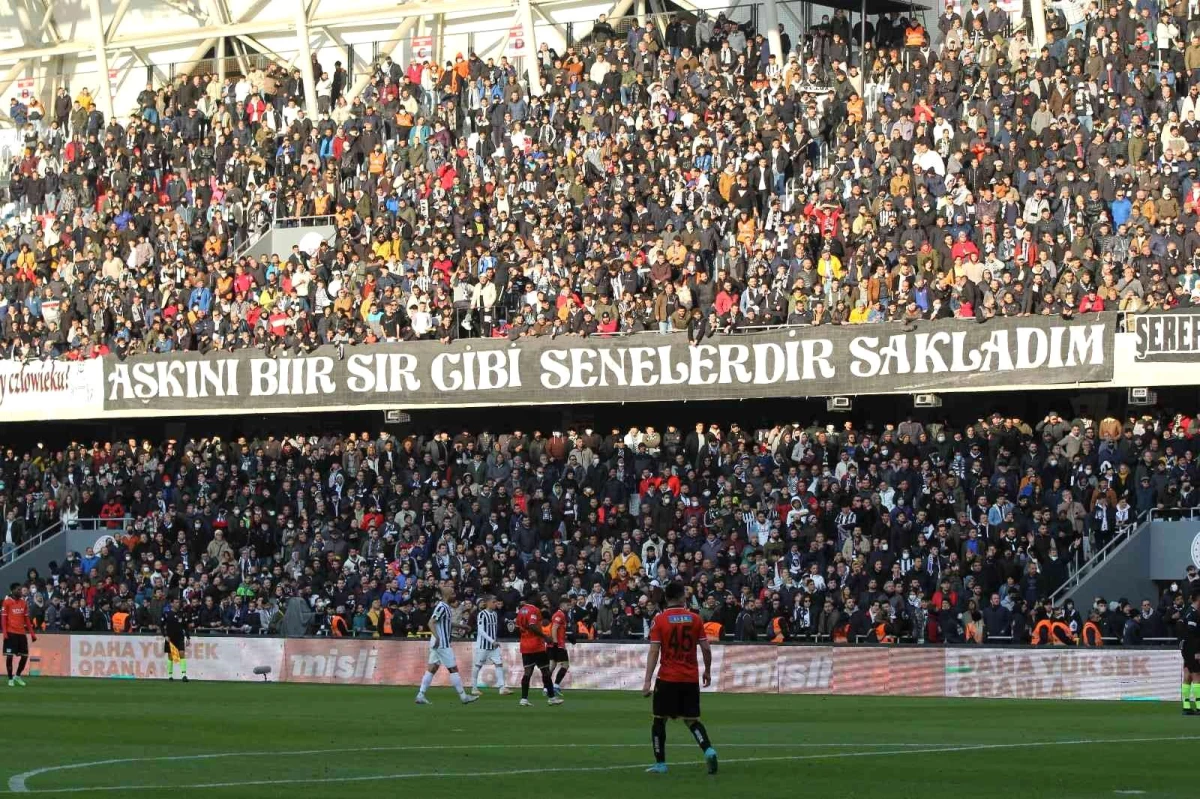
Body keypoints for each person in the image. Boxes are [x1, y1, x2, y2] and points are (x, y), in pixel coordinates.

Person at [641, 580, 718, 775]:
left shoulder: (659, 620)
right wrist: (707, 670)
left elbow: (653, 651)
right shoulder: (695, 618)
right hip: (690, 678)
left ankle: (661, 764)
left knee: (659, 720)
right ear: (684, 598)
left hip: (667, 678)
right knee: (692, 720)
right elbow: (706, 648)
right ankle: (708, 749)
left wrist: (647, 680)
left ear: (666, 598)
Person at [415, 585, 479, 706]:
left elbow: (446, 623)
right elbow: (431, 622)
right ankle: (464, 697)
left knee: (432, 668)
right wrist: (438, 637)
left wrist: (462, 626)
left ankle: (420, 695)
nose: (455, 595)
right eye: (453, 594)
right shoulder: (442, 607)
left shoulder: (446, 607)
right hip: (442, 643)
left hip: (438, 642)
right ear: (447, 595)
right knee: (453, 669)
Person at [516, 589, 559, 707]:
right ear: (533, 598)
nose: (540, 599)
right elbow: (532, 625)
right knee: (545, 670)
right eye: (538, 597)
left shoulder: (521, 610)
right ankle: (552, 698)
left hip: (524, 645)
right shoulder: (534, 610)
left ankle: (524, 699)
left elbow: (518, 626)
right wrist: (545, 636)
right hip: (536, 645)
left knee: (527, 672)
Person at [469, 595, 509, 696]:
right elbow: (481, 631)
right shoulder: (482, 614)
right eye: (494, 602)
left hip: (493, 646)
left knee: (499, 664)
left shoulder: (495, 614)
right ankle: (474, 688)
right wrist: (492, 641)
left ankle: (502, 688)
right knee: (478, 665)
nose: (496, 604)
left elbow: (493, 630)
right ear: (487, 603)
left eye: (496, 602)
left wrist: (494, 641)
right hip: (483, 645)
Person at [3, 583, 36, 687]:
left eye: (21, 590)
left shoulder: (23, 603)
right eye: (18, 590)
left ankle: (17, 676)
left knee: (25, 656)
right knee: (9, 657)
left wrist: (32, 633)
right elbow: (3, 619)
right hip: (11, 633)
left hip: (21, 633)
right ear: (12, 590)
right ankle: (10, 678)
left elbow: (26, 619)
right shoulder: (7, 602)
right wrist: (4, 633)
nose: (20, 591)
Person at [1179, 590, 1200, 715]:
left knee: (1187, 675)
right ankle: (1199, 705)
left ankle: (1186, 706)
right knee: (1197, 676)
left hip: (1186, 648)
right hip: (1192, 649)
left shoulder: (1187, 612)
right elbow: (1192, 634)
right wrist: (1197, 651)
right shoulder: (1192, 614)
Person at [161, 597, 190, 682]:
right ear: (172, 604)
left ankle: (184, 675)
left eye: (178, 602)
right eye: (176, 602)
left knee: (182, 654)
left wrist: (188, 637)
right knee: (171, 656)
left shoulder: (182, 614)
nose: (178, 604)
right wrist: (165, 635)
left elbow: (185, 626)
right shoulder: (166, 614)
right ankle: (170, 675)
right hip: (170, 637)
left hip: (180, 637)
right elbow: (161, 625)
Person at [549, 595, 572, 696]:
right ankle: (556, 685)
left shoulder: (560, 615)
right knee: (565, 665)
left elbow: (559, 631)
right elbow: (554, 628)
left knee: (552, 665)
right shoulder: (560, 615)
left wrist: (567, 637)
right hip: (558, 644)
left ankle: (547, 686)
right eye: (568, 605)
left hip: (557, 643)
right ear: (562, 605)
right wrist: (555, 643)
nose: (570, 607)